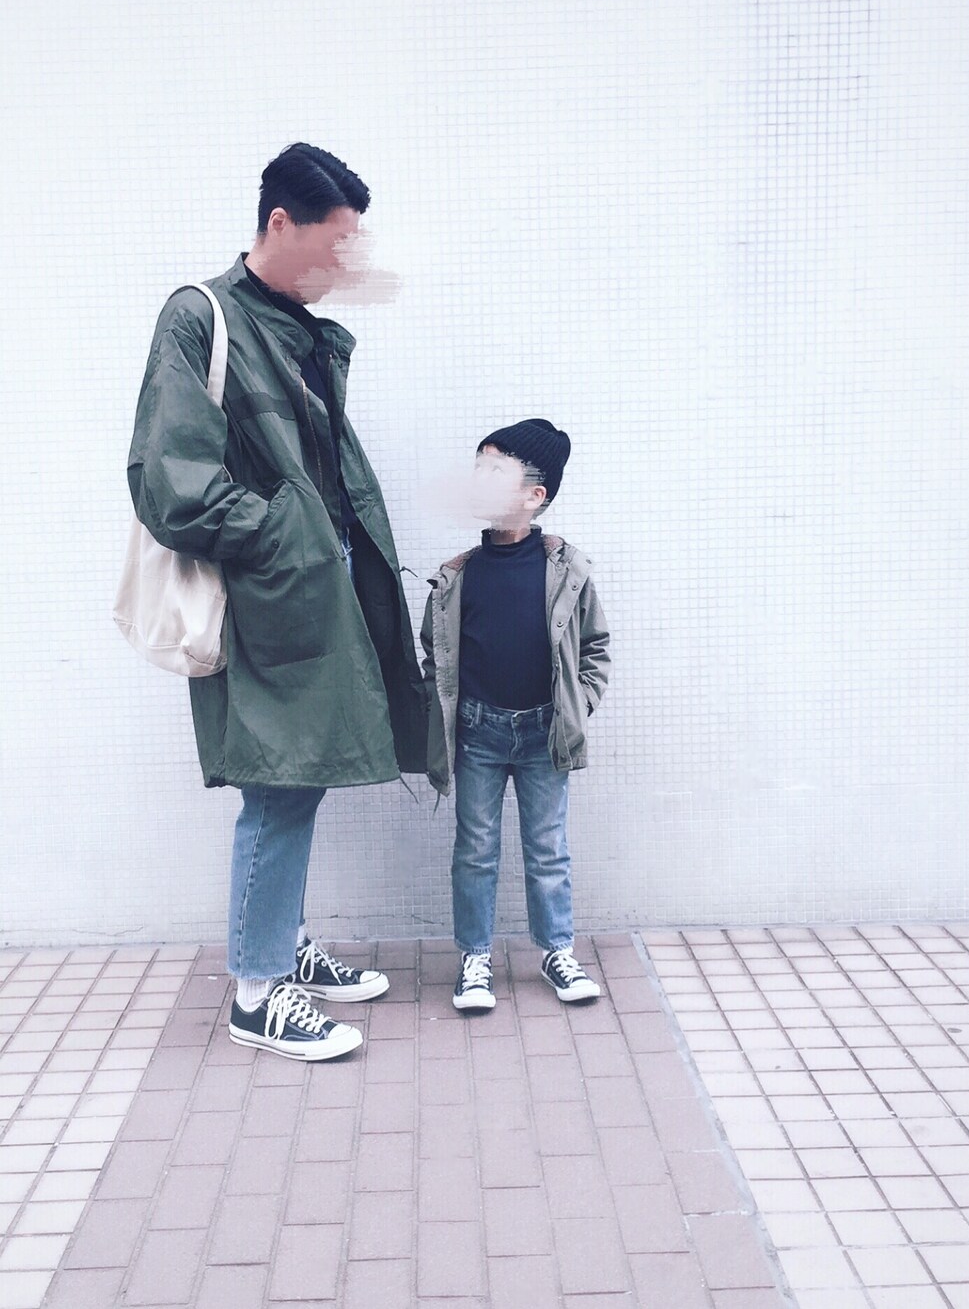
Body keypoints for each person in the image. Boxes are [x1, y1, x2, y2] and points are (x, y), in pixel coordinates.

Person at [128, 143, 427, 1060]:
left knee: (303, 778)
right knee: (279, 788)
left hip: (313, 591)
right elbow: (172, 485)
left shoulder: (295, 326)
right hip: (267, 595)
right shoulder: (201, 316)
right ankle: (257, 995)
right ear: (279, 223)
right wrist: (285, 536)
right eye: (332, 245)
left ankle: (282, 946)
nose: (343, 264)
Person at [421, 419, 611, 1011]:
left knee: (547, 847)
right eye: (477, 468)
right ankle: (475, 957)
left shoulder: (567, 570)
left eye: (495, 470)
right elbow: (434, 652)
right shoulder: (457, 575)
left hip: (544, 732)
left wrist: (577, 706)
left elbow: (595, 648)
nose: (479, 480)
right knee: (475, 849)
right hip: (477, 732)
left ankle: (556, 951)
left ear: (535, 495)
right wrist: (442, 707)